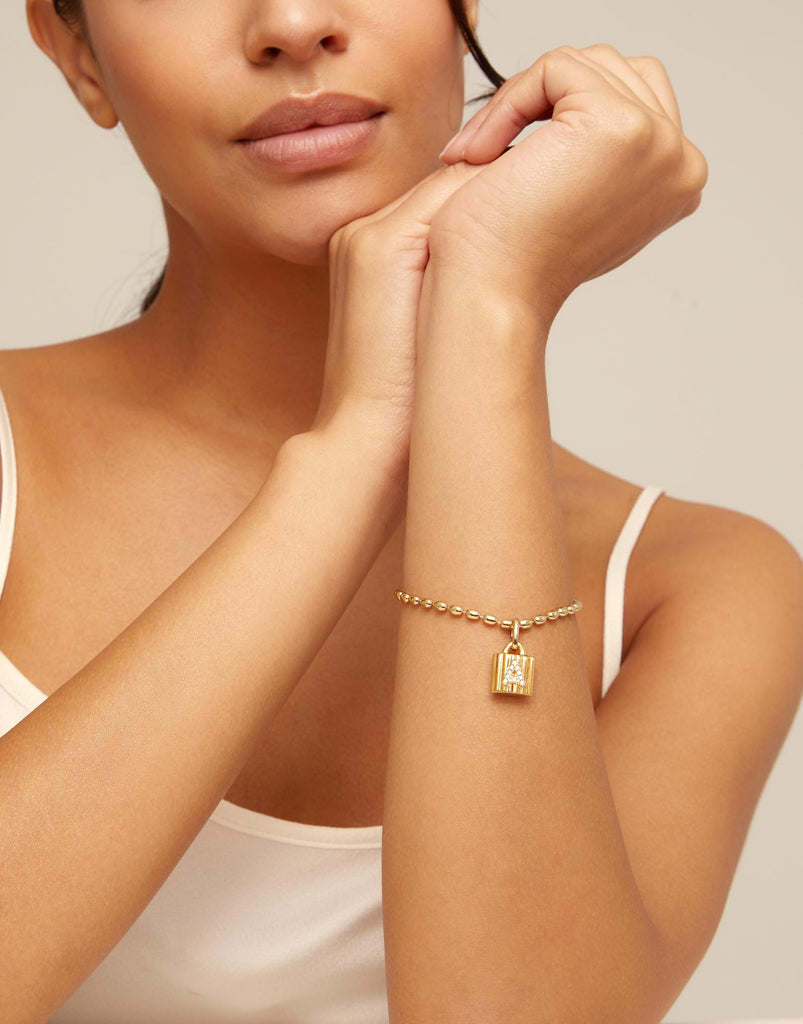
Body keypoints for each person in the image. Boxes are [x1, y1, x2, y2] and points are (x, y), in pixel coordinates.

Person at [2, 1, 801, 1022]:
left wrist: (489, 305)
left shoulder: (692, 586)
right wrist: (347, 457)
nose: (292, 23)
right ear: (77, 51)